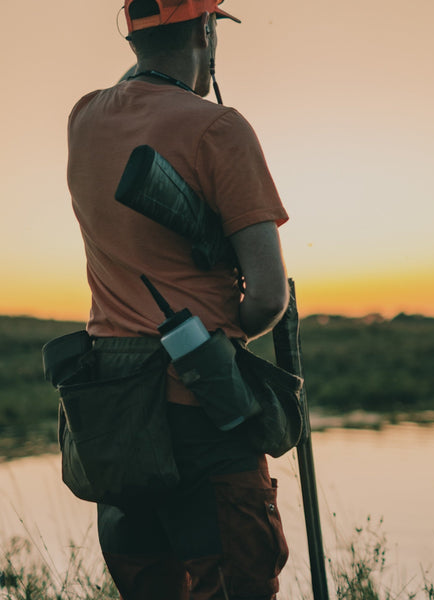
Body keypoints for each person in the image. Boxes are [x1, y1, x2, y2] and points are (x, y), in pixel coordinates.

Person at [66, 1, 291, 598]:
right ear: (207, 28)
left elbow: (133, 96)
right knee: (238, 582)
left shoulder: (84, 117)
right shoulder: (220, 127)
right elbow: (268, 296)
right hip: (201, 409)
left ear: (134, 36)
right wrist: (223, 331)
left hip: (113, 412)